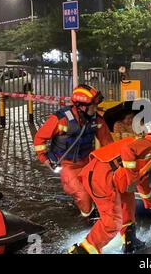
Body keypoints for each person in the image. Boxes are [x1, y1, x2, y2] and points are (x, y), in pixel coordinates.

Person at [68, 131, 151, 254]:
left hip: (105, 176)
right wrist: (132, 179)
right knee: (112, 223)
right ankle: (83, 250)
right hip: (102, 178)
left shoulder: (142, 148)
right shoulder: (150, 144)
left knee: (128, 202)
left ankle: (130, 240)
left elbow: (142, 180)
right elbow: (127, 151)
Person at [34, 84, 113, 218]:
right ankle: (87, 217)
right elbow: (39, 139)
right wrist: (45, 159)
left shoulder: (96, 120)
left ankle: (100, 213)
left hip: (87, 162)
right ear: (82, 106)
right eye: (93, 105)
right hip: (66, 165)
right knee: (83, 196)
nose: (96, 108)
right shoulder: (61, 119)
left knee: (103, 188)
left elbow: (108, 145)